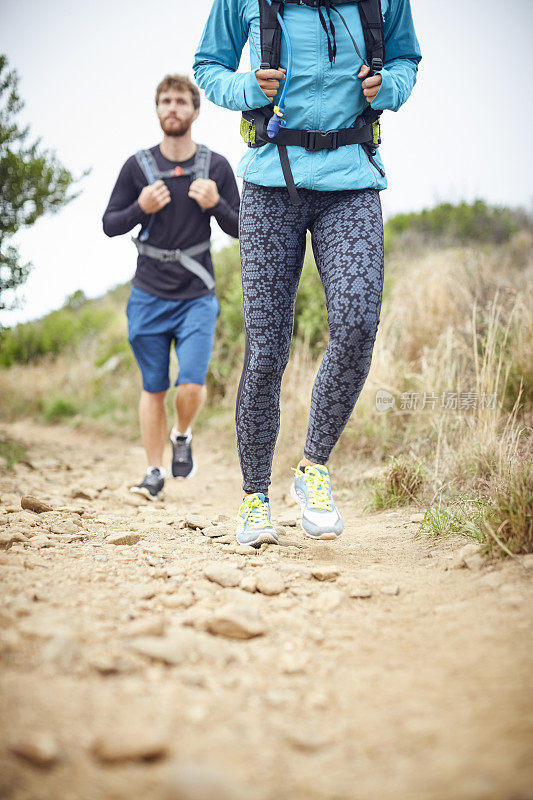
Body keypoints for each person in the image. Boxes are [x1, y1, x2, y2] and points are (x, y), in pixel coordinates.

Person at [194, 0, 421, 545]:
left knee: (359, 322)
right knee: (267, 348)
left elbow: (408, 60)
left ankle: (313, 469)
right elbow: (208, 67)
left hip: (353, 181)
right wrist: (250, 88)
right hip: (272, 182)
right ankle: (254, 499)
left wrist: (387, 87)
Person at [103, 74, 240, 500]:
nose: (173, 108)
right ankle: (153, 471)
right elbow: (109, 224)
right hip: (148, 292)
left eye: (181, 101)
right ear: (157, 109)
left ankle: (182, 434)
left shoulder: (215, 166)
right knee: (154, 386)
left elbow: (243, 229)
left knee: (191, 384)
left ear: (195, 111)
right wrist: (139, 207)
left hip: (197, 294)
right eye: (166, 101)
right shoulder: (137, 166)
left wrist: (216, 204)